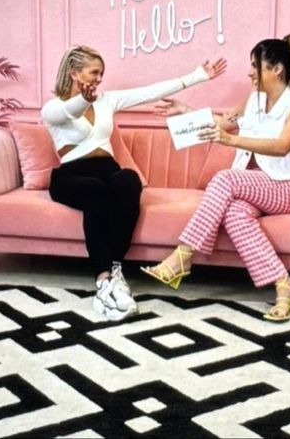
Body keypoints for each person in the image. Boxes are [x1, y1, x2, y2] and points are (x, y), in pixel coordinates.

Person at [41, 45, 226, 321]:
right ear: (74, 72)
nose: (99, 78)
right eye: (94, 72)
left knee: (128, 180)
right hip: (72, 175)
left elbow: (150, 91)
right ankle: (103, 281)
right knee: (96, 192)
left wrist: (196, 76)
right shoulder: (53, 107)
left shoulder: (106, 100)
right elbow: (67, 112)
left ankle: (115, 269)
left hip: (107, 169)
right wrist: (83, 99)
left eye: (101, 73)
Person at [141, 34, 290, 322]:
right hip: (257, 187)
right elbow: (223, 123)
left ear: (277, 69)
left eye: (255, 66)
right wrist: (184, 110)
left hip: (289, 189)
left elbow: (283, 146)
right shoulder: (255, 100)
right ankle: (285, 286)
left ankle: (182, 257)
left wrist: (230, 142)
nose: (249, 72)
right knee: (234, 214)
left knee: (225, 178)